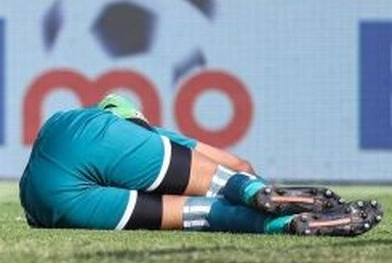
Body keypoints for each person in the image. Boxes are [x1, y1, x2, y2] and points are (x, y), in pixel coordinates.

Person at [21, 94, 384, 236]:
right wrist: (254, 185)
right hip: (88, 139)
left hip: (49, 202)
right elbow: (236, 163)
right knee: (223, 183)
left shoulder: (70, 122)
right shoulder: (122, 123)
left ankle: (287, 225)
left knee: (202, 214)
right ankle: (259, 195)